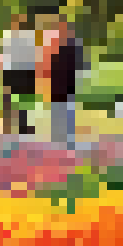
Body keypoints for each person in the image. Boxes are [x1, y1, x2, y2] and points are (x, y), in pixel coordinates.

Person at [40, 12, 81, 146]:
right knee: (59, 114)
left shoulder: (69, 47)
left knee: (65, 113)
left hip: (66, 87)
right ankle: (61, 141)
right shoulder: (58, 47)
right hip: (58, 87)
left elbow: (76, 66)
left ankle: (65, 141)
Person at [0, 20, 37, 136]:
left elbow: (1, 55)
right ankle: (16, 125)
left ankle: (15, 125)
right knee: (18, 98)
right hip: (19, 71)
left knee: (18, 99)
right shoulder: (26, 36)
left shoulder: (13, 36)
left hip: (19, 71)